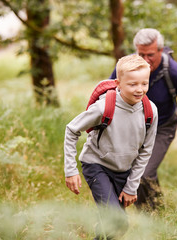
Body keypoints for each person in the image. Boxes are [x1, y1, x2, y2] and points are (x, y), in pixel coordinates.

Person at [109, 28, 177, 211]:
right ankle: (158, 211)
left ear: (161, 50)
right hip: (135, 127)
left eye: (150, 55)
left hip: (162, 127)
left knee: (142, 173)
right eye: (140, 53)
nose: (144, 60)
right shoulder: (127, 66)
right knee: (136, 170)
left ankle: (149, 218)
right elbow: (108, 92)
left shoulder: (175, 72)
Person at [64, 54, 158, 239]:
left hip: (124, 170)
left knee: (115, 227)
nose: (139, 89)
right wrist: (70, 170)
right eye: (132, 84)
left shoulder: (150, 111)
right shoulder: (103, 108)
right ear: (118, 83)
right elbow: (71, 130)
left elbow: (146, 151)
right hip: (97, 165)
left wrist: (132, 186)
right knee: (118, 222)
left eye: (144, 83)